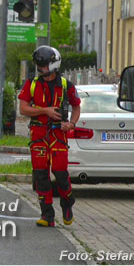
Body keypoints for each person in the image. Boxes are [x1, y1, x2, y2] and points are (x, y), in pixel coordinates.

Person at [17, 46, 81, 227]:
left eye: (43, 65)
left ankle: (67, 203)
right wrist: (45, 110)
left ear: (53, 64)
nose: (40, 68)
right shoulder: (32, 84)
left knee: (60, 174)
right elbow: (23, 109)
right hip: (38, 134)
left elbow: (76, 107)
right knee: (41, 176)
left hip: (58, 134)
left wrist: (72, 124)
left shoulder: (66, 85)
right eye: (38, 64)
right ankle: (47, 215)